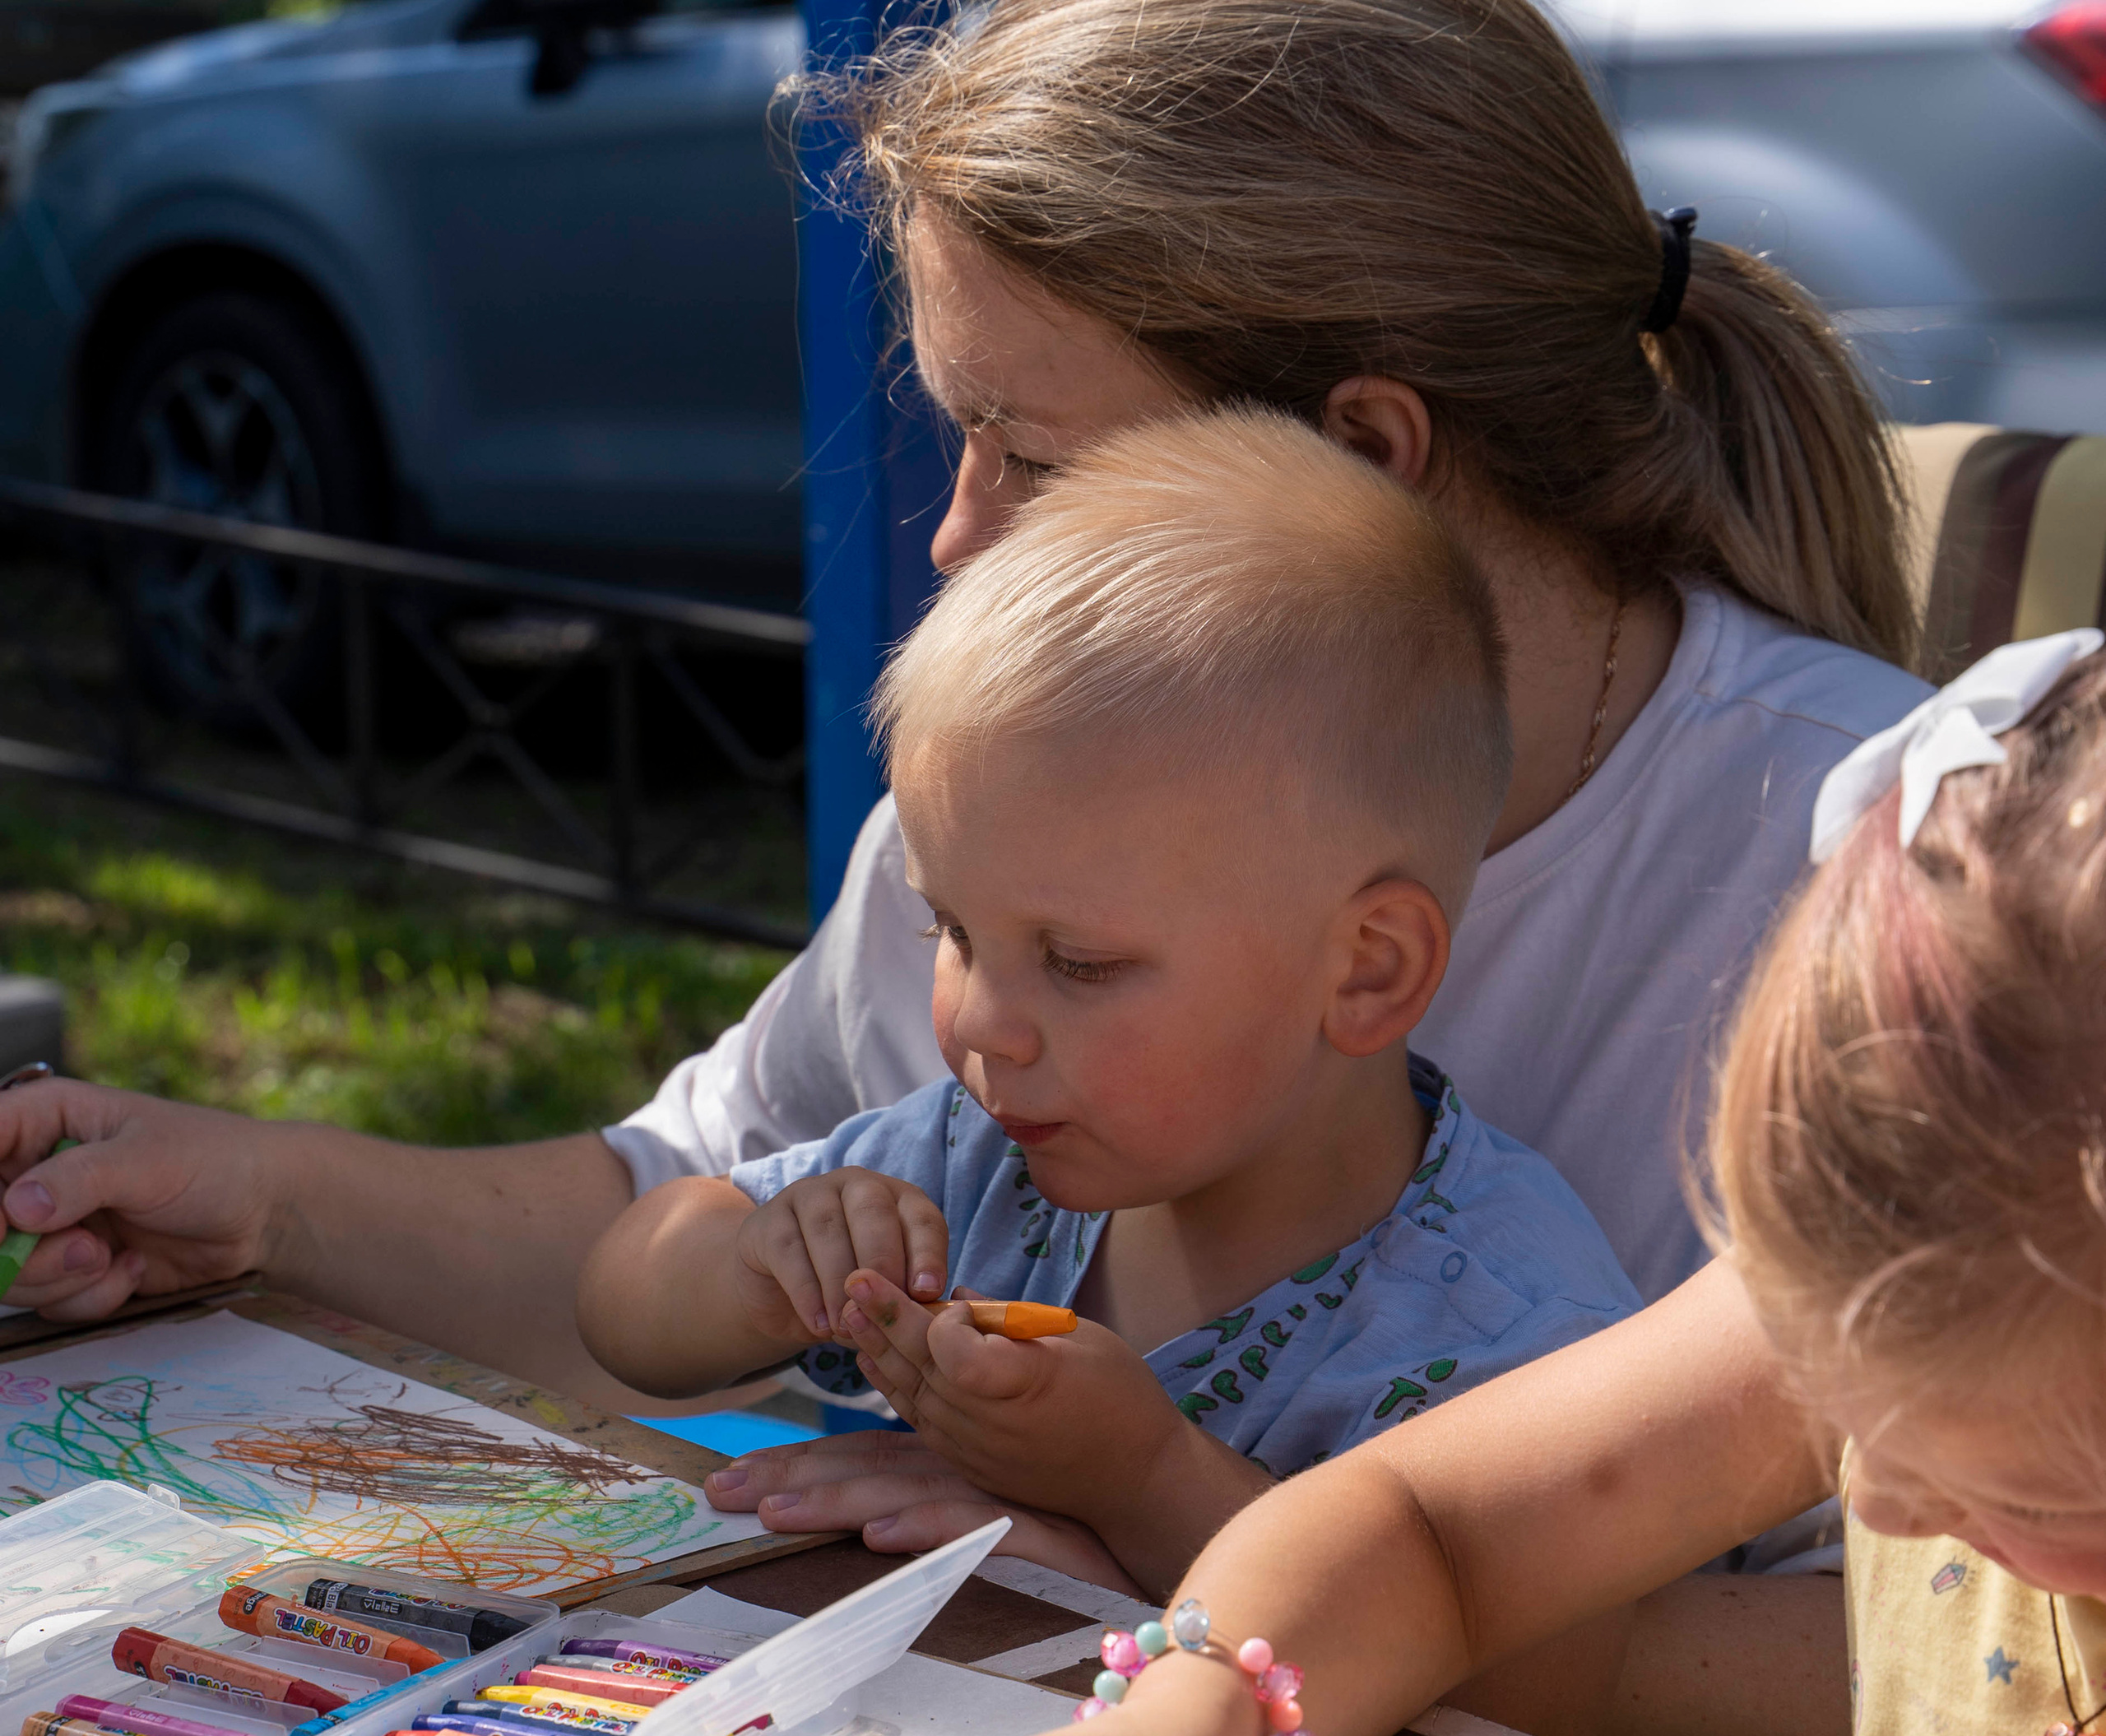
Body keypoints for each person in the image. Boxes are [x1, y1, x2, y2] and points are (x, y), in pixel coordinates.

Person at [0, 0, 1919, 1427]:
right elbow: (682, 1207)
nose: (958, 538)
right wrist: (259, 1197)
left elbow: (1931, 1682)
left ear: (1363, 457)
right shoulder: (1057, 786)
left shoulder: (1879, 893)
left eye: (1034, 457)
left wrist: (1206, 1560)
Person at [941, 636, 2106, 1736]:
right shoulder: (1922, 1277)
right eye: (1860, 1423)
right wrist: (1197, 1704)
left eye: (2034, 1485)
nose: (1878, 1509)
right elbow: (1431, 1530)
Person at [575, 412, 1639, 1587]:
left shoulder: (1505, 1332)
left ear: (1367, 969)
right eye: (955, 932)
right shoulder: (981, 1169)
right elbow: (624, 1308)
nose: (982, 1023)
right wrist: (758, 1267)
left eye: (1077, 964)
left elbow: (1495, 1653)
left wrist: (1138, 1486)